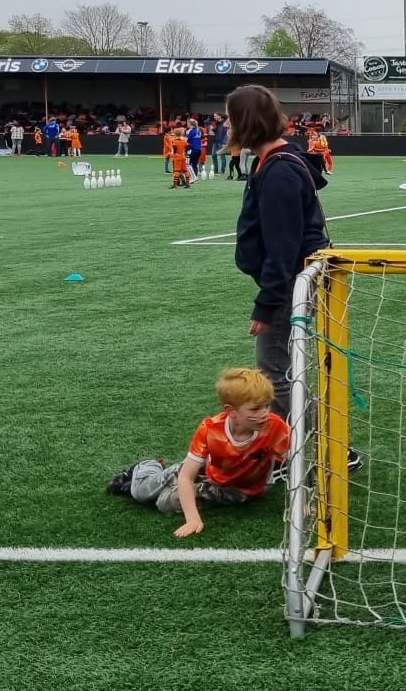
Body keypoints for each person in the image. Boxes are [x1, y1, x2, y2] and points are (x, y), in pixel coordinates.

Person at [231, 84, 331, 411]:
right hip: (288, 280)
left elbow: (283, 247)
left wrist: (266, 304)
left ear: (247, 122)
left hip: (289, 282)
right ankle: (309, 446)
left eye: (232, 120)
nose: (228, 127)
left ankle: (321, 448)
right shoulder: (271, 163)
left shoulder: (280, 171)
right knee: (280, 369)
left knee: (274, 371)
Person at [106, 368, 289, 537]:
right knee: (140, 492)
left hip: (240, 490)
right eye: (256, 409)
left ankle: (168, 480)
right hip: (207, 471)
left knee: (164, 503)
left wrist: (304, 502)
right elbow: (187, 476)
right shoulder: (210, 429)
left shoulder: (275, 427)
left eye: (267, 406)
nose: (264, 413)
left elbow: (297, 461)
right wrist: (193, 519)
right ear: (230, 411)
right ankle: (147, 466)